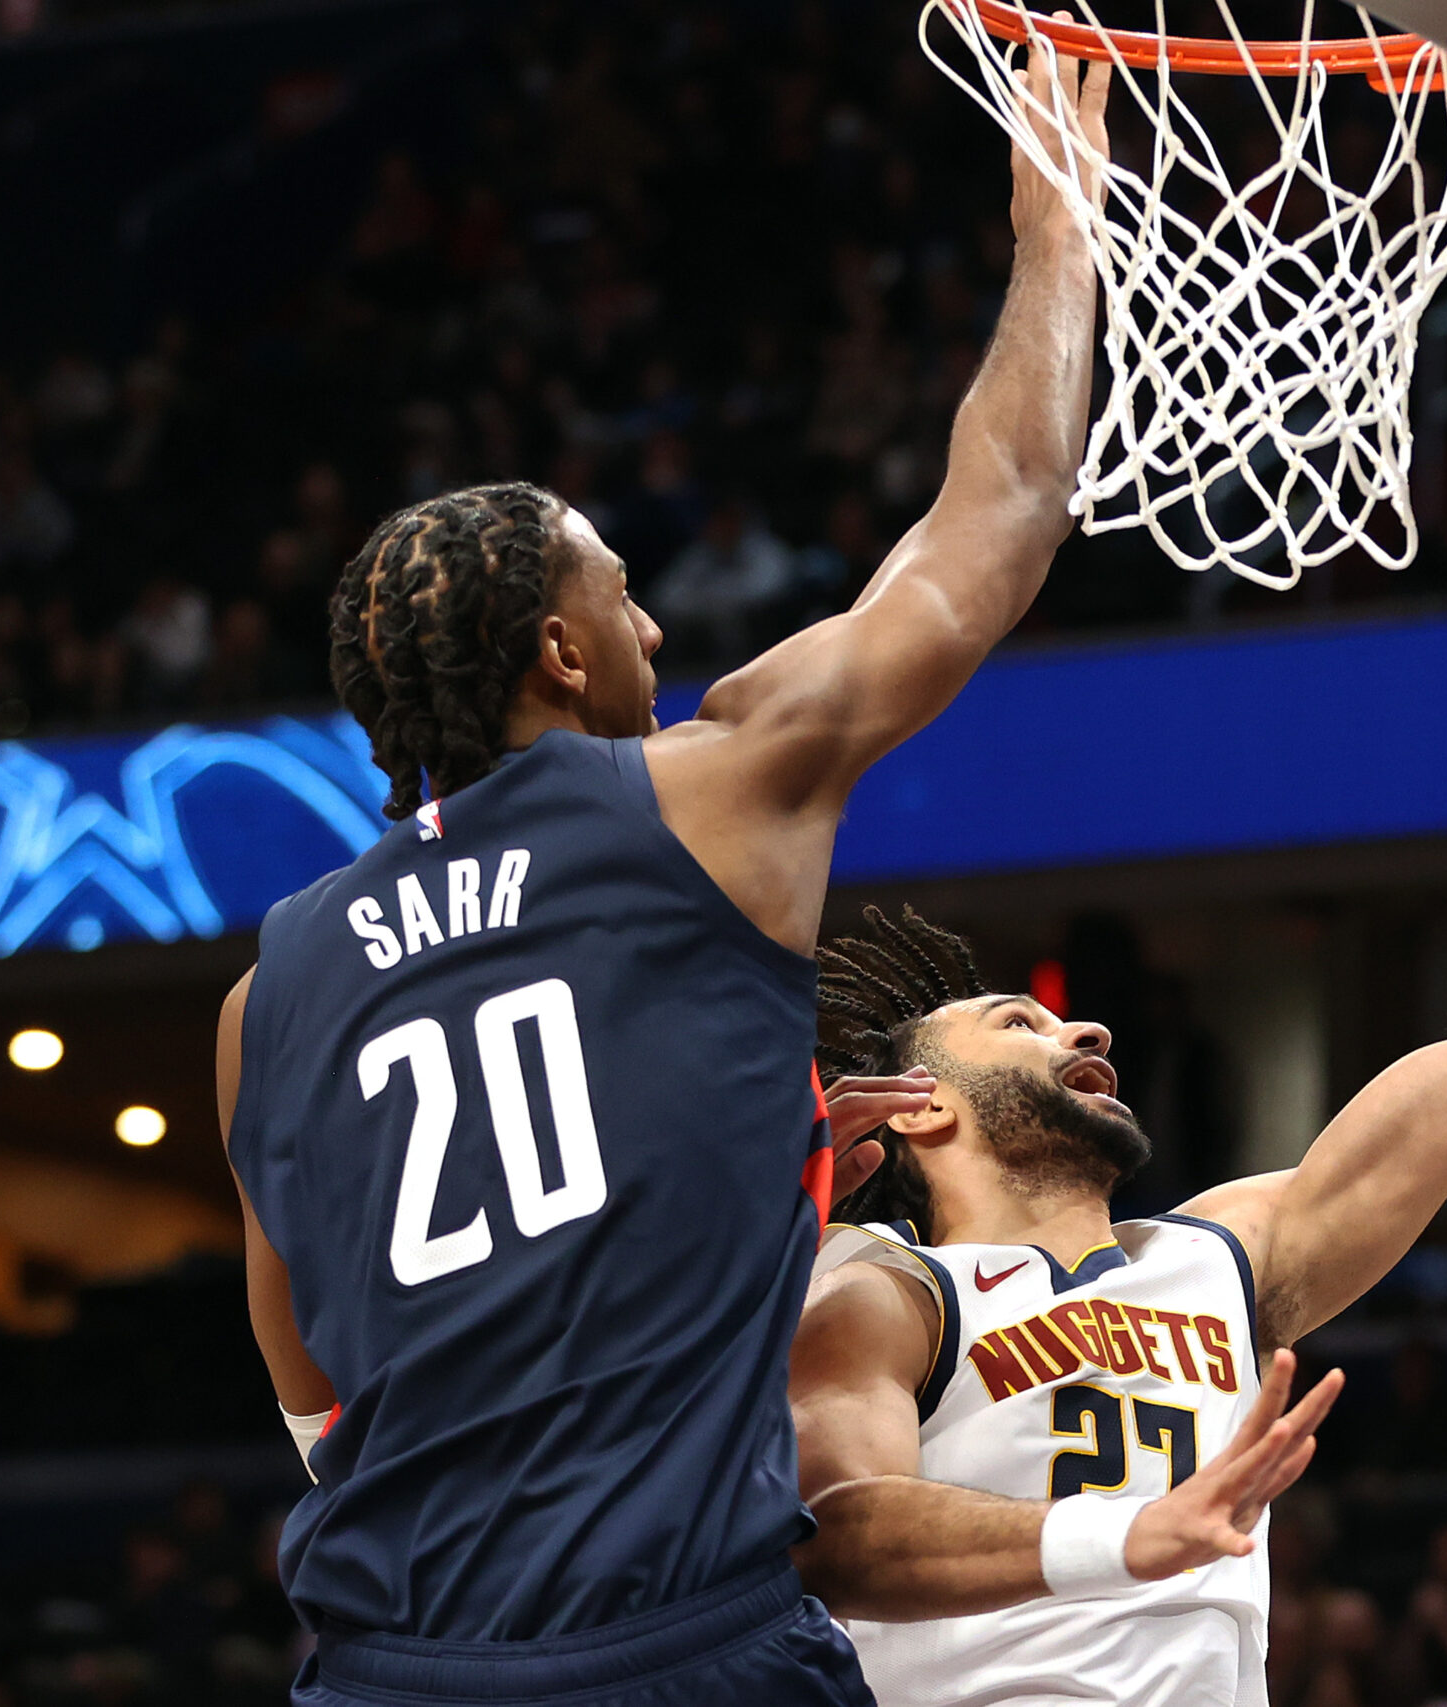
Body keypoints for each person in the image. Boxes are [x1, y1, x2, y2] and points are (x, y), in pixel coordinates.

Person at [215, 42, 1112, 1707]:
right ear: (557, 650)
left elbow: (312, 1378)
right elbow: (1003, 512)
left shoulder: (271, 986)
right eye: (622, 596)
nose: (653, 628)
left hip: (387, 1666)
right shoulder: (709, 791)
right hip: (674, 1646)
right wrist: (1061, 221)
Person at [788, 565, 1447, 1705]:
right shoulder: (882, 1286)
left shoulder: (1213, 1256)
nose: (1082, 1025)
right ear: (924, 1104)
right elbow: (840, 1533)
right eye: (1018, 1023)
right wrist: (1126, 1536)